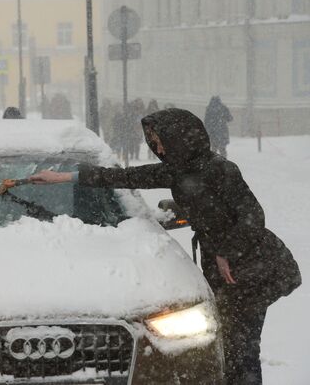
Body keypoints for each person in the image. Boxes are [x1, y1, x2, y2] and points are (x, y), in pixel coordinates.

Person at [29, 108, 301, 384]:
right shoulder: (177, 172)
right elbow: (125, 177)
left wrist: (225, 251)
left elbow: (253, 216)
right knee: (229, 347)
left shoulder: (221, 170)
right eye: (152, 140)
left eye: (159, 139)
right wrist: (64, 178)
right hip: (227, 268)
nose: (156, 146)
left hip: (251, 265)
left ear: (180, 138)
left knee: (240, 349)